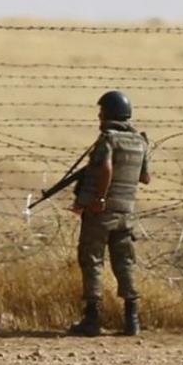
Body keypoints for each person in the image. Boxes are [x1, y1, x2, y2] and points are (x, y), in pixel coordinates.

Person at [68, 90, 151, 337]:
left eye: (101, 112)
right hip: (126, 212)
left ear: (109, 114)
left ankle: (92, 319)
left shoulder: (108, 140)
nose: (99, 116)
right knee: (124, 262)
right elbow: (145, 178)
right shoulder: (140, 142)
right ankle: (132, 320)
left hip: (102, 212)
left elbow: (106, 168)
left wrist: (99, 198)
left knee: (92, 260)